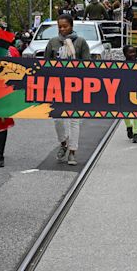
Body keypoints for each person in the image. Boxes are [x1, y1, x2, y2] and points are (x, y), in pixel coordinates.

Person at [45, 14, 90, 165]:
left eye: (65, 26)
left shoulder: (81, 42)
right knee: (57, 119)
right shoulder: (53, 42)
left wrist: (73, 55)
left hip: (76, 86)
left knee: (73, 120)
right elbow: (46, 65)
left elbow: (88, 65)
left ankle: (72, 152)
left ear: (72, 26)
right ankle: (63, 143)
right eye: (60, 27)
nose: (63, 29)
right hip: (57, 86)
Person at [123, 45, 137, 143]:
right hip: (125, 91)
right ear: (125, 54)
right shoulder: (121, 66)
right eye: (130, 52)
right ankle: (128, 126)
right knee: (124, 111)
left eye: (134, 52)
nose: (133, 54)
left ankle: (135, 133)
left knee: (136, 112)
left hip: (136, 91)